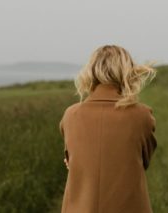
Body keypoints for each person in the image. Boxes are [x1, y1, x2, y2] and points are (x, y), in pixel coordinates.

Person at [58, 45, 158, 213]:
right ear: (126, 71)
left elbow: (71, 161)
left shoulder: (70, 115)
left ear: (91, 72)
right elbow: (143, 160)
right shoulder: (142, 116)